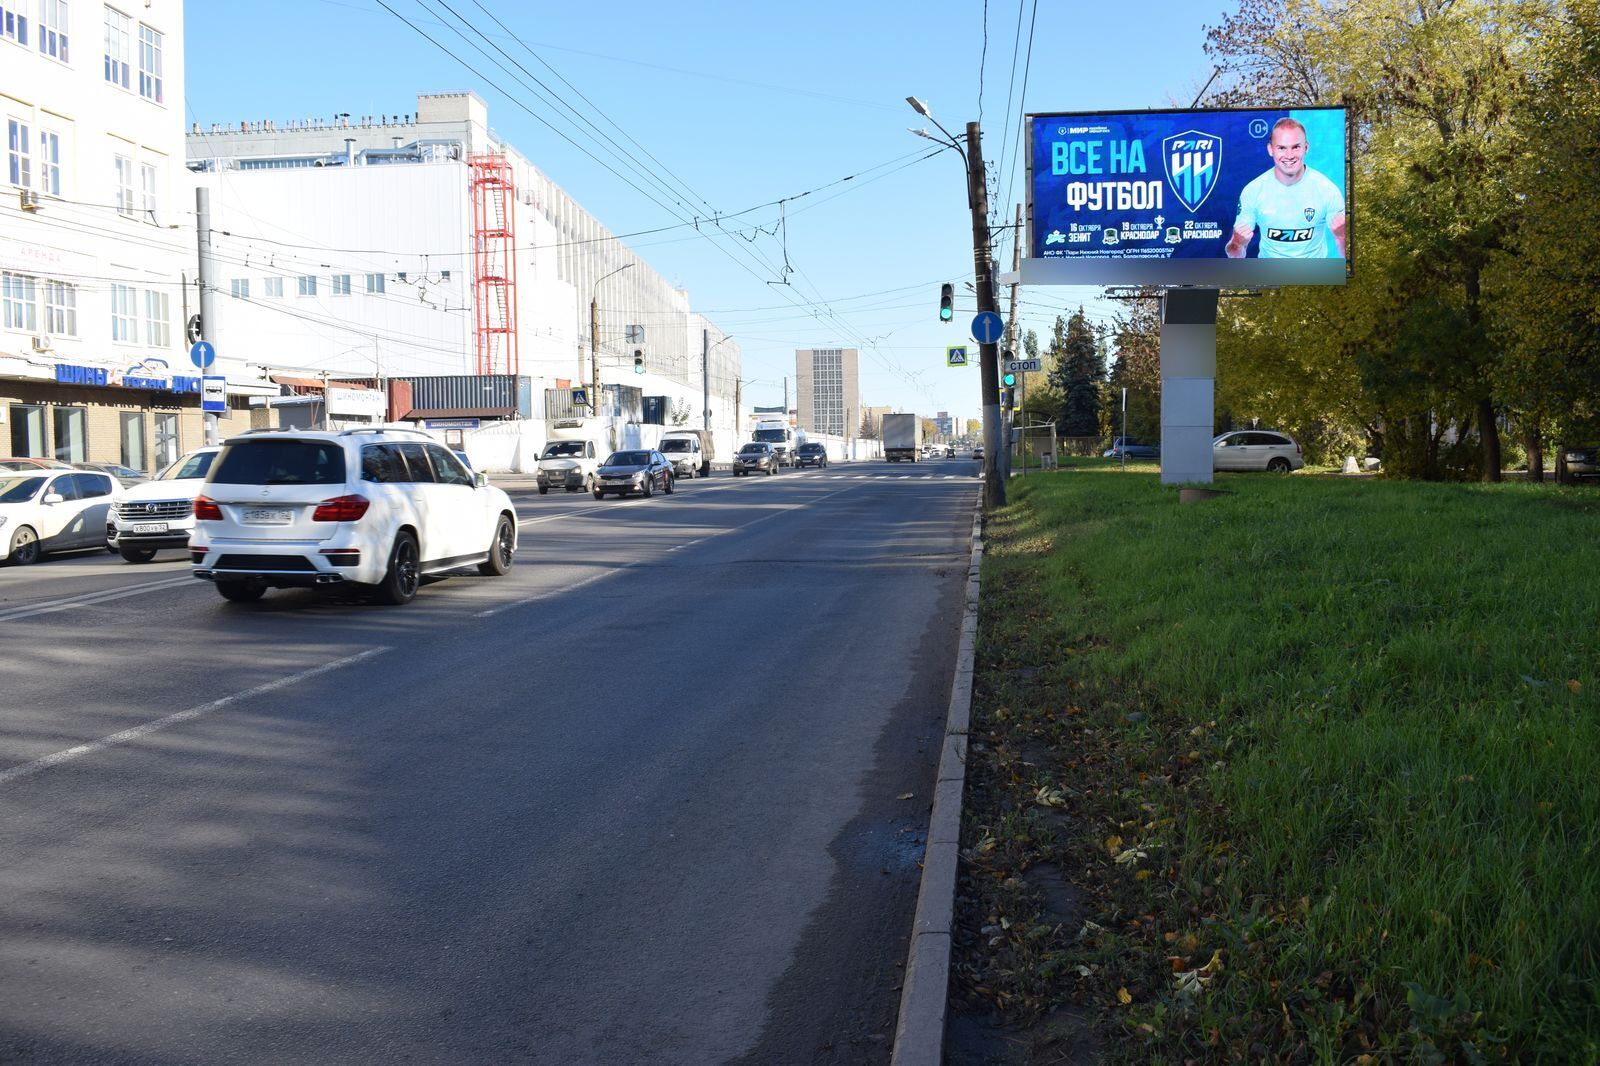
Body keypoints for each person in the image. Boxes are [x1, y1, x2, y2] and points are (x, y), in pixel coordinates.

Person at [1225, 117, 1347, 259]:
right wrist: (1236, 243)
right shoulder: (1253, 190)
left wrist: (1343, 236)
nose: (1289, 156)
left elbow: (1345, 258)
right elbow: (1234, 255)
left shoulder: (1327, 190)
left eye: (1296, 147)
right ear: (1271, 150)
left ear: (1306, 148)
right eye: (1282, 148)